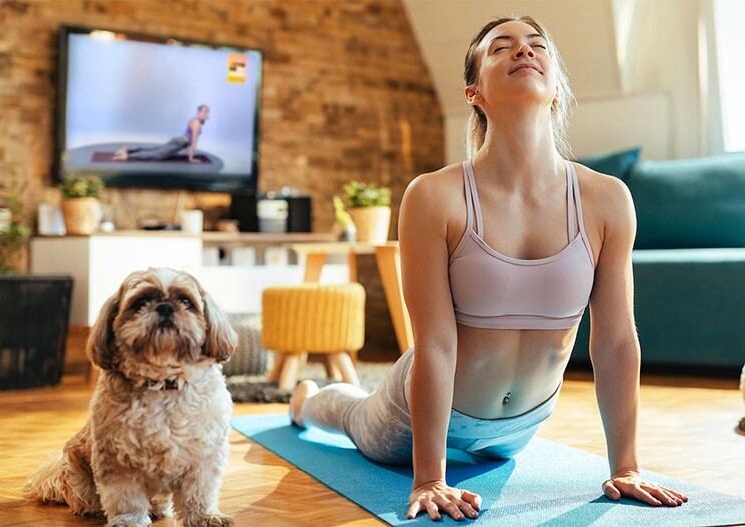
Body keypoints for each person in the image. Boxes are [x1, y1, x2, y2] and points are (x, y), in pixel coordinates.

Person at [288, 15, 689, 521]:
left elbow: (615, 340)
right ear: (473, 92)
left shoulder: (607, 199)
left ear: (557, 88)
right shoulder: (435, 196)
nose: (523, 51)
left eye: (536, 45)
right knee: (352, 417)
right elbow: (433, 341)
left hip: (519, 429)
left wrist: (625, 466)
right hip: (423, 413)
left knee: (495, 448)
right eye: (502, 48)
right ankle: (307, 401)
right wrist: (430, 476)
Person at [112, 104, 209, 163]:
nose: (205, 114)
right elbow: (193, 142)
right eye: (203, 112)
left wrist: (189, 156)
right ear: (198, 112)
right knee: (157, 155)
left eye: (206, 112)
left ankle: (127, 150)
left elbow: (189, 141)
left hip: (179, 141)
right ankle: (127, 156)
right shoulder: (197, 124)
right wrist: (191, 158)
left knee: (154, 149)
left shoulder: (195, 121)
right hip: (179, 142)